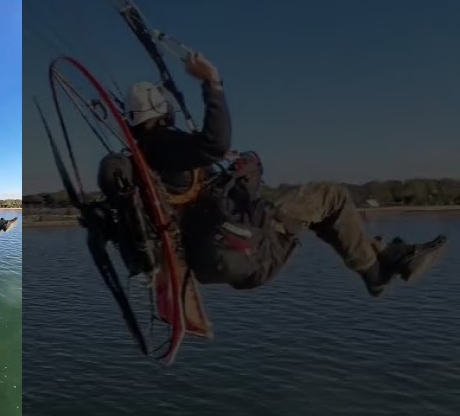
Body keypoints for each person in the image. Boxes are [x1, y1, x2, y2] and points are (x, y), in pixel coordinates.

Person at [97, 53, 446, 296]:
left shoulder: (144, 159)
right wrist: (212, 83)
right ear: (164, 112)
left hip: (220, 256)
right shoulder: (165, 144)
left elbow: (193, 176)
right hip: (251, 249)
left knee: (313, 213)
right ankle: (375, 271)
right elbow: (216, 144)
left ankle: (387, 257)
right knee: (330, 196)